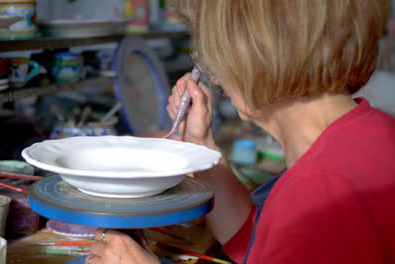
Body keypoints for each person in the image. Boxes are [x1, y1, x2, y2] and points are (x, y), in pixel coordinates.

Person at [85, 0, 395, 263]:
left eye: (215, 55)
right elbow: (255, 240)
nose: (215, 76)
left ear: (257, 57)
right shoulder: (367, 133)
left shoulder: (322, 191)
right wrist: (201, 142)